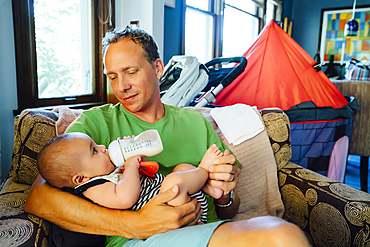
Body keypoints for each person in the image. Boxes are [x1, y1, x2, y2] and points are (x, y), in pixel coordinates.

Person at [25, 26, 310, 247]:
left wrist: (224, 194)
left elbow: (228, 209)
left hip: (205, 231)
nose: (121, 86)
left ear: (158, 69)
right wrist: (136, 223)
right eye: (112, 76)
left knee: (280, 233)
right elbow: (39, 197)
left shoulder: (195, 123)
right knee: (281, 236)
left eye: (131, 72)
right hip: (141, 241)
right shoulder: (95, 124)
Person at [37, 132, 225, 224]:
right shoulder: (94, 187)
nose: (103, 148)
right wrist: (131, 166)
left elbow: (144, 177)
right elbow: (125, 198)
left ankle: (208, 188)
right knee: (173, 181)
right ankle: (204, 170)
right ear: (80, 178)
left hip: (181, 197)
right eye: (94, 151)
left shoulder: (108, 171)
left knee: (180, 169)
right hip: (175, 209)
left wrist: (137, 155)